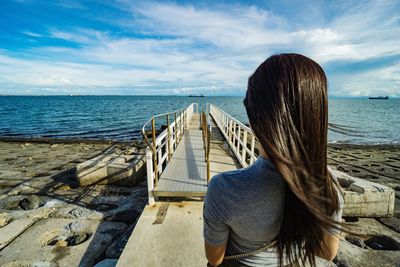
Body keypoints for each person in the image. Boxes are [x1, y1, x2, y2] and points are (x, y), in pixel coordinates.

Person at [203, 53, 344, 267]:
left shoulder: (224, 188)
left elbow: (215, 258)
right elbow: (327, 252)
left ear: (255, 120)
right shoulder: (326, 185)